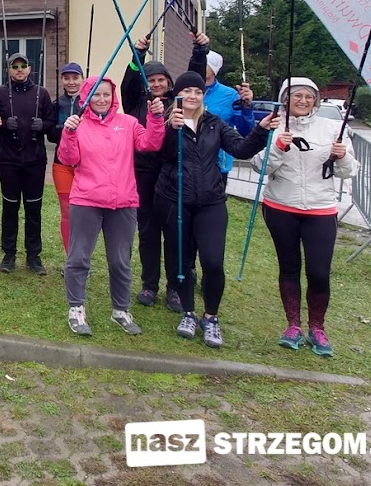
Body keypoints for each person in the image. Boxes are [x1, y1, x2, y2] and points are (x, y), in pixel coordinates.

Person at [157, 70, 279, 348]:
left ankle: (210, 317)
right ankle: (188, 312)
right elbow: (161, 154)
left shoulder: (214, 123)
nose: (192, 96)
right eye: (187, 91)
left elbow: (241, 149)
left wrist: (261, 129)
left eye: (198, 92)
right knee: (181, 261)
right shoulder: (167, 122)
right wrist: (170, 130)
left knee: (213, 262)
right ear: (177, 95)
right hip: (176, 200)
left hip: (210, 201)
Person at [253, 77, 357, 357]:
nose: (303, 101)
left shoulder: (332, 128)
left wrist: (342, 156)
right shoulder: (274, 126)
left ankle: (317, 328)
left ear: (316, 101)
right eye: (296, 96)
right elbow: (259, 167)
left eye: (309, 96)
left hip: (320, 209)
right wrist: (278, 148)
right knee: (289, 268)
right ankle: (293, 326)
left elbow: (348, 171)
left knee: (319, 272)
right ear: (285, 99)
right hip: (281, 207)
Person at [58, 76, 166, 336]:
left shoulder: (128, 123)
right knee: (78, 258)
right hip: (86, 200)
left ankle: (121, 310)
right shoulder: (78, 124)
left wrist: (155, 117)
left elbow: (150, 143)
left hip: (123, 202)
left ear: (113, 96)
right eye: (96, 94)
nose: (102, 99)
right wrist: (69, 133)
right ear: (86, 97)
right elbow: (68, 159)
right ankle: (76, 308)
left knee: (120, 261)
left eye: (106, 94)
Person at [121, 33, 206, 312]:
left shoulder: (178, 105)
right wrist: (138, 55)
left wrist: (199, 51)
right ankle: (149, 284)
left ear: (169, 83)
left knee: (174, 233)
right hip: (143, 176)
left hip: (171, 176)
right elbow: (129, 81)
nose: (157, 84)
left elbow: (193, 80)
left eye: (161, 80)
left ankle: (175, 288)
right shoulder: (135, 103)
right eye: (152, 80)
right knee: (147, 232)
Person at [0, 51, 57, 275]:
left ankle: (33, 256)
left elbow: (52, 122)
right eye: (14, 66)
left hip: (35, 160)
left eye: (23, 66)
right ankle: (9, 254)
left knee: (33, 208)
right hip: (8, 160)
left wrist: (43, 125)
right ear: (8, 69)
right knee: (10, 207)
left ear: (29, 69)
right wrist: (3, 123)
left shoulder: (42, 93)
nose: (19, 70)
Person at [197, 46, 256, 186]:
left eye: (205, 63)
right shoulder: (186, 91)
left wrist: (247, 108)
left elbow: (245, 131)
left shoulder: (230, 95)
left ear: (214, 69)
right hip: (188, 162)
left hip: (217, 165)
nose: (200, 65)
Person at [51, 62, 84, 254]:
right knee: (67, 211)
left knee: (84, 212)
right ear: (61, 80)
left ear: (82, 79)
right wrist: (63, 130)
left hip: (85, 164)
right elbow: (50, 134)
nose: (71, 82)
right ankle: (70, 256)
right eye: (67, 78)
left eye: (75, 78)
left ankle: (82, 254)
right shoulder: (56, 104)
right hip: (61, 164)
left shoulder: (90, 103)